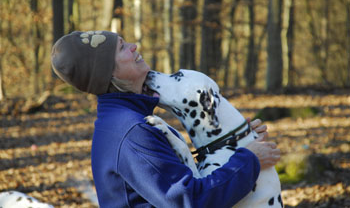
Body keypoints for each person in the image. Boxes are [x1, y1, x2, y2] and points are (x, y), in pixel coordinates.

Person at [51, 30, 280, 208]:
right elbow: (191, 201)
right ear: (108, 73)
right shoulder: (131, 132)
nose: (134, 47)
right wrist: (249, 160)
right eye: (122, 47)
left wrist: (236, 143)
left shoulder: (124, 121)